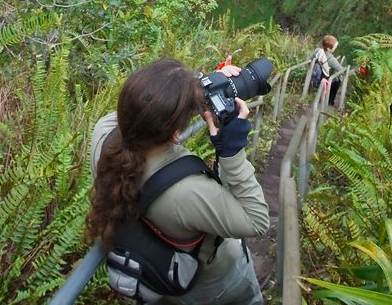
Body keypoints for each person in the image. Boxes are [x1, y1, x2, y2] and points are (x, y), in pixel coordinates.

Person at [87, 58, 271, 304]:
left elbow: (143, 111)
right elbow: (257, 220)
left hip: (164, 275)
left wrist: (187, 89)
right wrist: (232, 153)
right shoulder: (187, 191)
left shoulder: (103, 133)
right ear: (176, 132)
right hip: (214, 285)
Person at [311, 36, 346, 108]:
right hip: (326, 80)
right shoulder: (331, 59)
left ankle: (323, 100)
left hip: (316, 78)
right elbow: (343, 71)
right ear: (328, 48)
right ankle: (329, 103)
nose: (336, 47)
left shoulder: (317, 51)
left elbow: (308, 59)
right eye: (335, 46)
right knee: (337, 81)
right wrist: (357, 70)